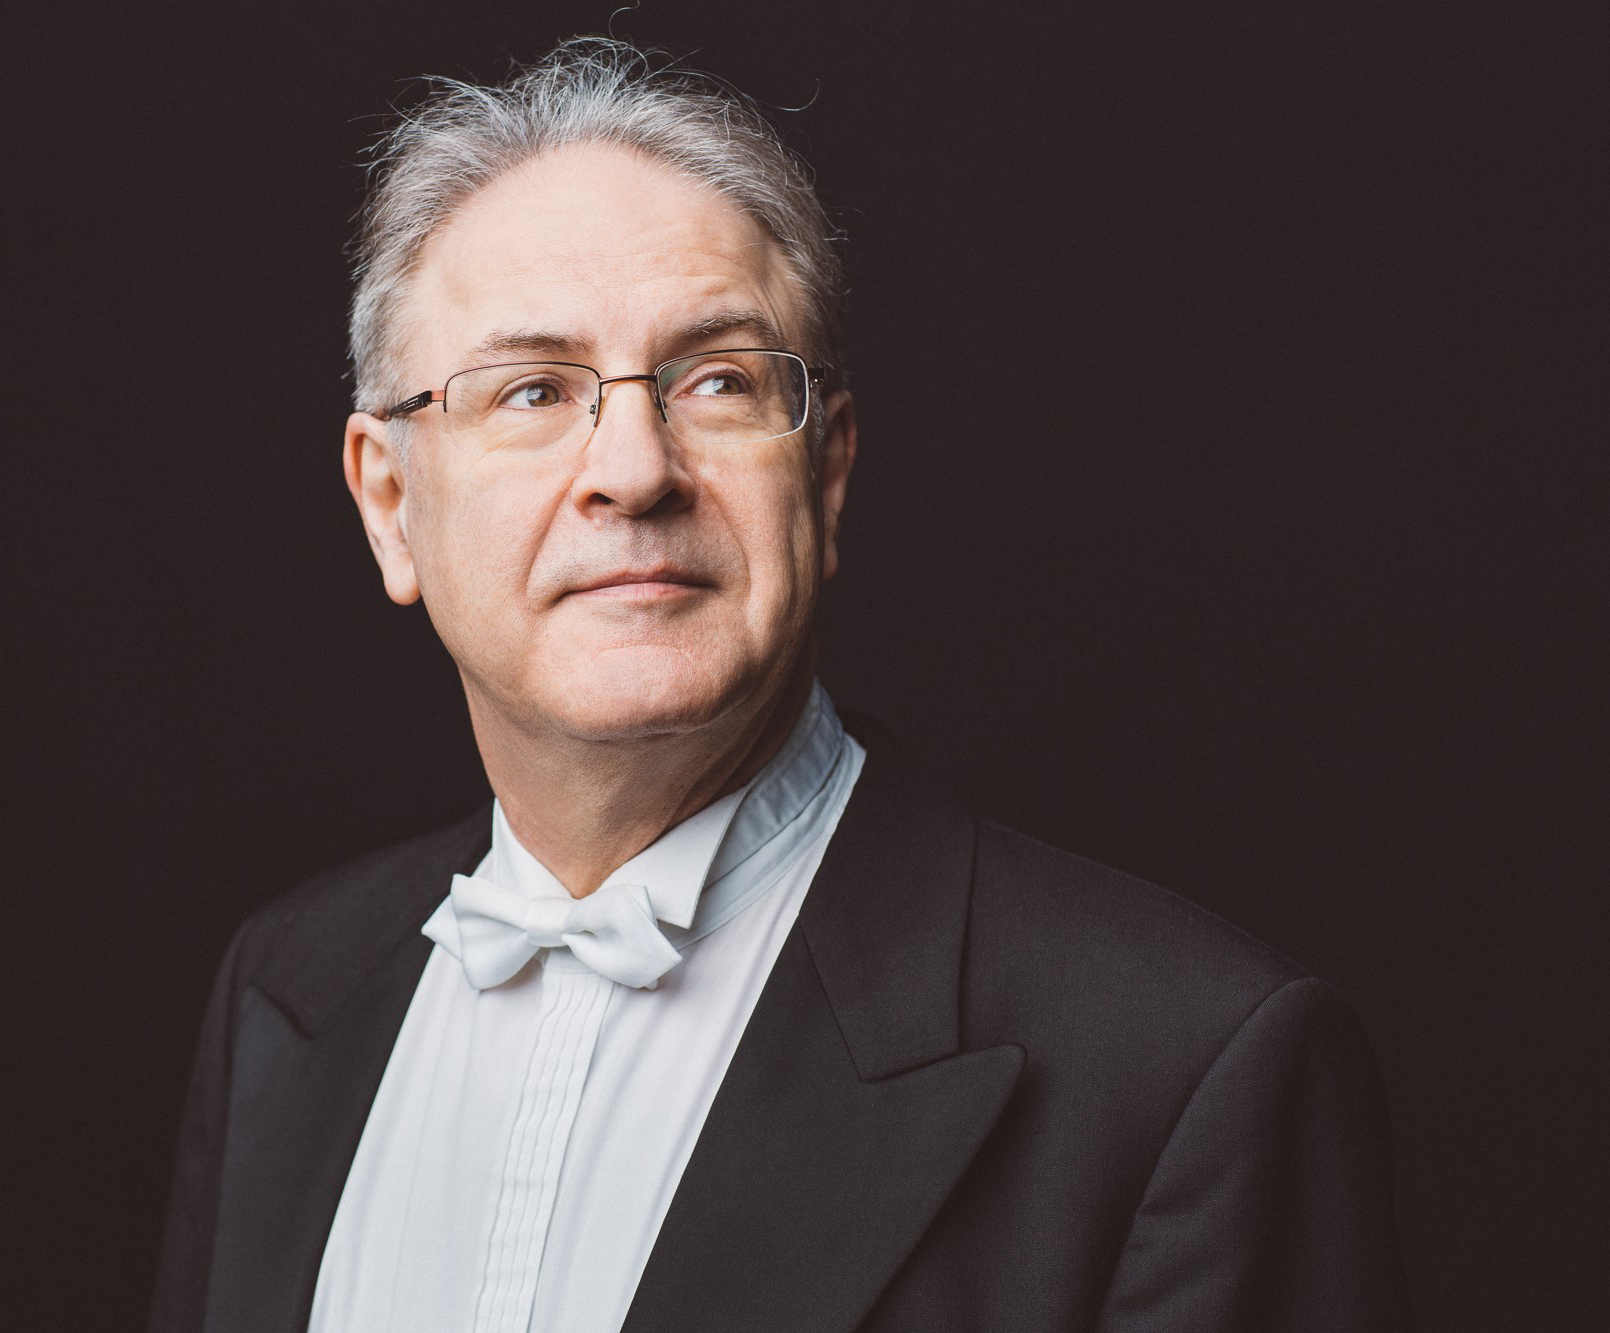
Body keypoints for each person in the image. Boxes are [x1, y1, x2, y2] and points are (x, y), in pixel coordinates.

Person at [151, 37, 1412, 1333]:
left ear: (829, 470)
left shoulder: (1190, 1069)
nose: (633, 470)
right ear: (389, 503)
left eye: (718, 381)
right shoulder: (282, 991)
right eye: (531, 390)